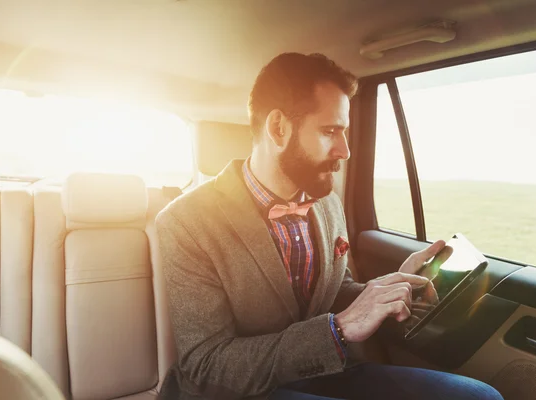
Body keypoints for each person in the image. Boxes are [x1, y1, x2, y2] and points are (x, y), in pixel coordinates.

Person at [156, 53, 503, 400]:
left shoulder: (326, 202)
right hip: (242, 392)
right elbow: (206, 366)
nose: (346, 150)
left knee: (480, 397)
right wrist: (339, 329)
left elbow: (331, 292)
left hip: (325, 370)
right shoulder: (186, 222)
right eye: (329, 131)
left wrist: (385, 289)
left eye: (345, 132)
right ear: (279, 128)